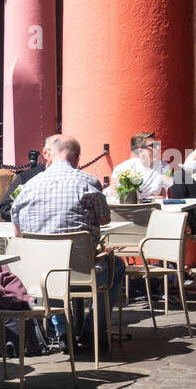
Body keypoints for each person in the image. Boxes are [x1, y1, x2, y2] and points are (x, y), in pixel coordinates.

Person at [12, 134, 125, 353]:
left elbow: (18, 235)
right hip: (82, 271)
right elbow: (104, 219)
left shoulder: (27, 188)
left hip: (42, 274)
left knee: (47, 262)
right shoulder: (88, 183)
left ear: (49, 156)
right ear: (76, 158)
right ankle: (94, 331)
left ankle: (63, 332)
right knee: (116, 266)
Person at [109, 132, 171, 200]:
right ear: (140, 151)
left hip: (152, 207)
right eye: (153, 146)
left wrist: (141, 200)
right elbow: (114, 193)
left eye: (157, 144)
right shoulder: (124, 167)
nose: (158, 148)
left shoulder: (164, 167)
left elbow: (163, 196)